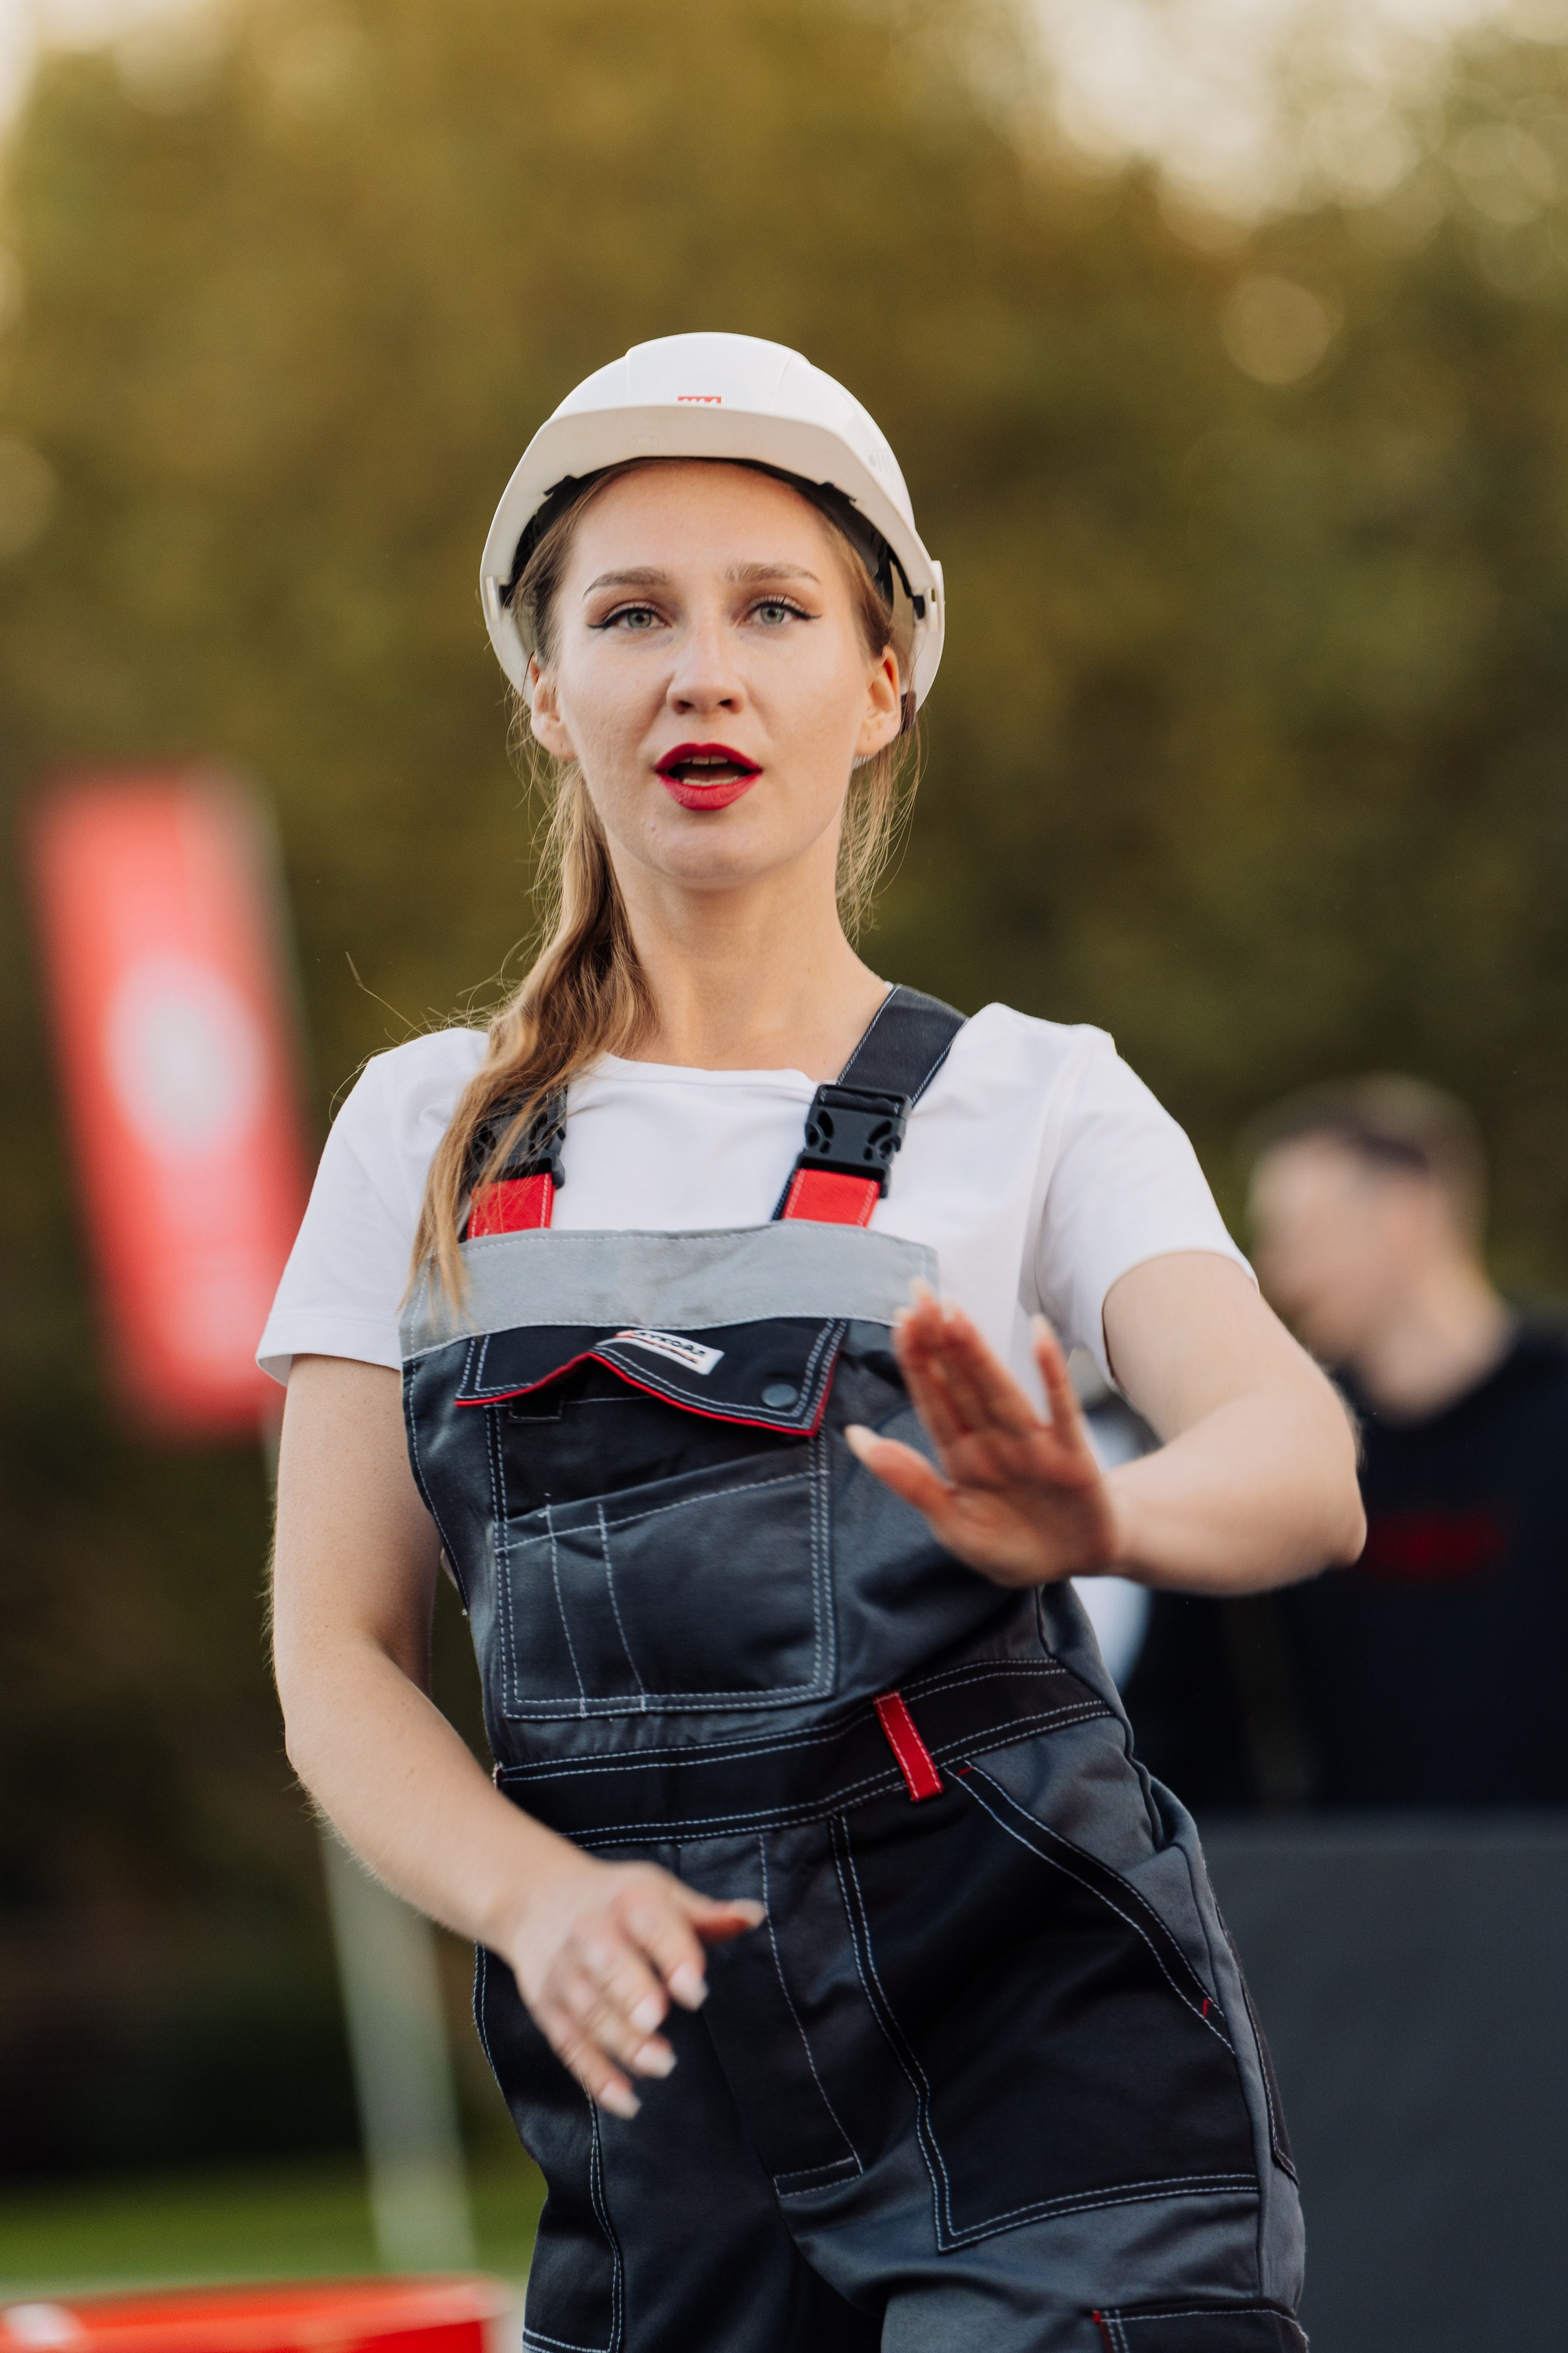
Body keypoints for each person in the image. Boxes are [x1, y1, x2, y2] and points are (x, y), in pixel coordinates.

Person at [264, 332, 1362, 2352]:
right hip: (657, 2116)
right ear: (547, 689)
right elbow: (337, 1656)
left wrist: (1102, 1517)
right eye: (632, 615)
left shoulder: (1039, 1098)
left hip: (1052, 2077)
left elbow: (1299, 1463)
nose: (704, 670)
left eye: (774, 609)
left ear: (880, 685)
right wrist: (531, 1896)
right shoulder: (420, 1136)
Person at [1247, 1075, 1568, 1808]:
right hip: (1354, 1874)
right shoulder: (1292, 1449)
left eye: (1294, 1234)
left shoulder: (1552, 1414)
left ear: (1400, 1214)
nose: (1273, 1270)